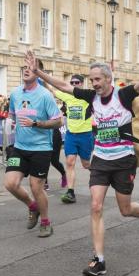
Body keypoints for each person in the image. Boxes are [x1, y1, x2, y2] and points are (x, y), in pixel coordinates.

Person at [25, 36, 139, 276]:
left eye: (97, 79)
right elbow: (63, 86)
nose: (94, 83)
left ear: (108, 79)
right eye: (91, 79)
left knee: (125, 210)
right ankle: (99, 260)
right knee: (95, 206)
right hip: (101, 159)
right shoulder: (90, 97)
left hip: (124, 160)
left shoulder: (123, 96)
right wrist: (38, 72)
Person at [3, 65, 63, 238]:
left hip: (41, 149)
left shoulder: (45, 95)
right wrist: (9, 123)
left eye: (31, 68)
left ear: (38, 72)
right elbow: (12, 115)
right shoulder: (15, 93)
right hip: (20, 148)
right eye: (24, 68)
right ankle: (32, 206)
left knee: (36, 187)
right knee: (10, 184)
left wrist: (36, 123)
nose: (26, 70)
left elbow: (59, 122)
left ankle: (45, 222)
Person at [53, 74, 94, 203]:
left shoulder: (88, 97)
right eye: (72, 82)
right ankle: (71, 192)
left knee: (86, 164)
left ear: (82, 84)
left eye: (77, 82)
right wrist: (39, 76)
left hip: (85, 135)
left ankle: (100, 175)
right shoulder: (67, 96)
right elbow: (52, 88)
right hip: (71, 135)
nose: (74, 85)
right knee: (70, 162)